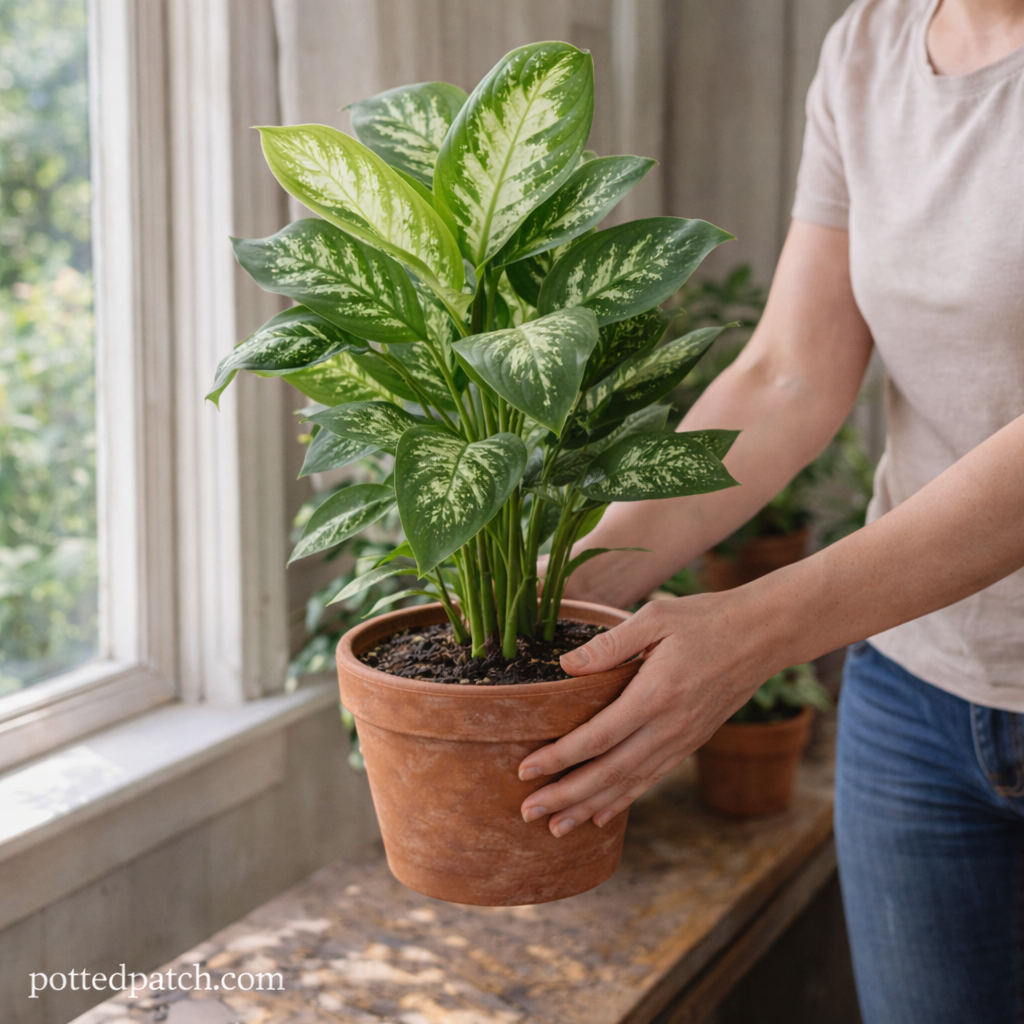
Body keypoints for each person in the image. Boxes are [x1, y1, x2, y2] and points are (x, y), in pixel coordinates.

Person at [517, 0, 1024, 1020]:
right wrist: (591, 568)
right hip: (916, 691)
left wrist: (750, 631)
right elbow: (792, 370)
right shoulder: (868, 47)